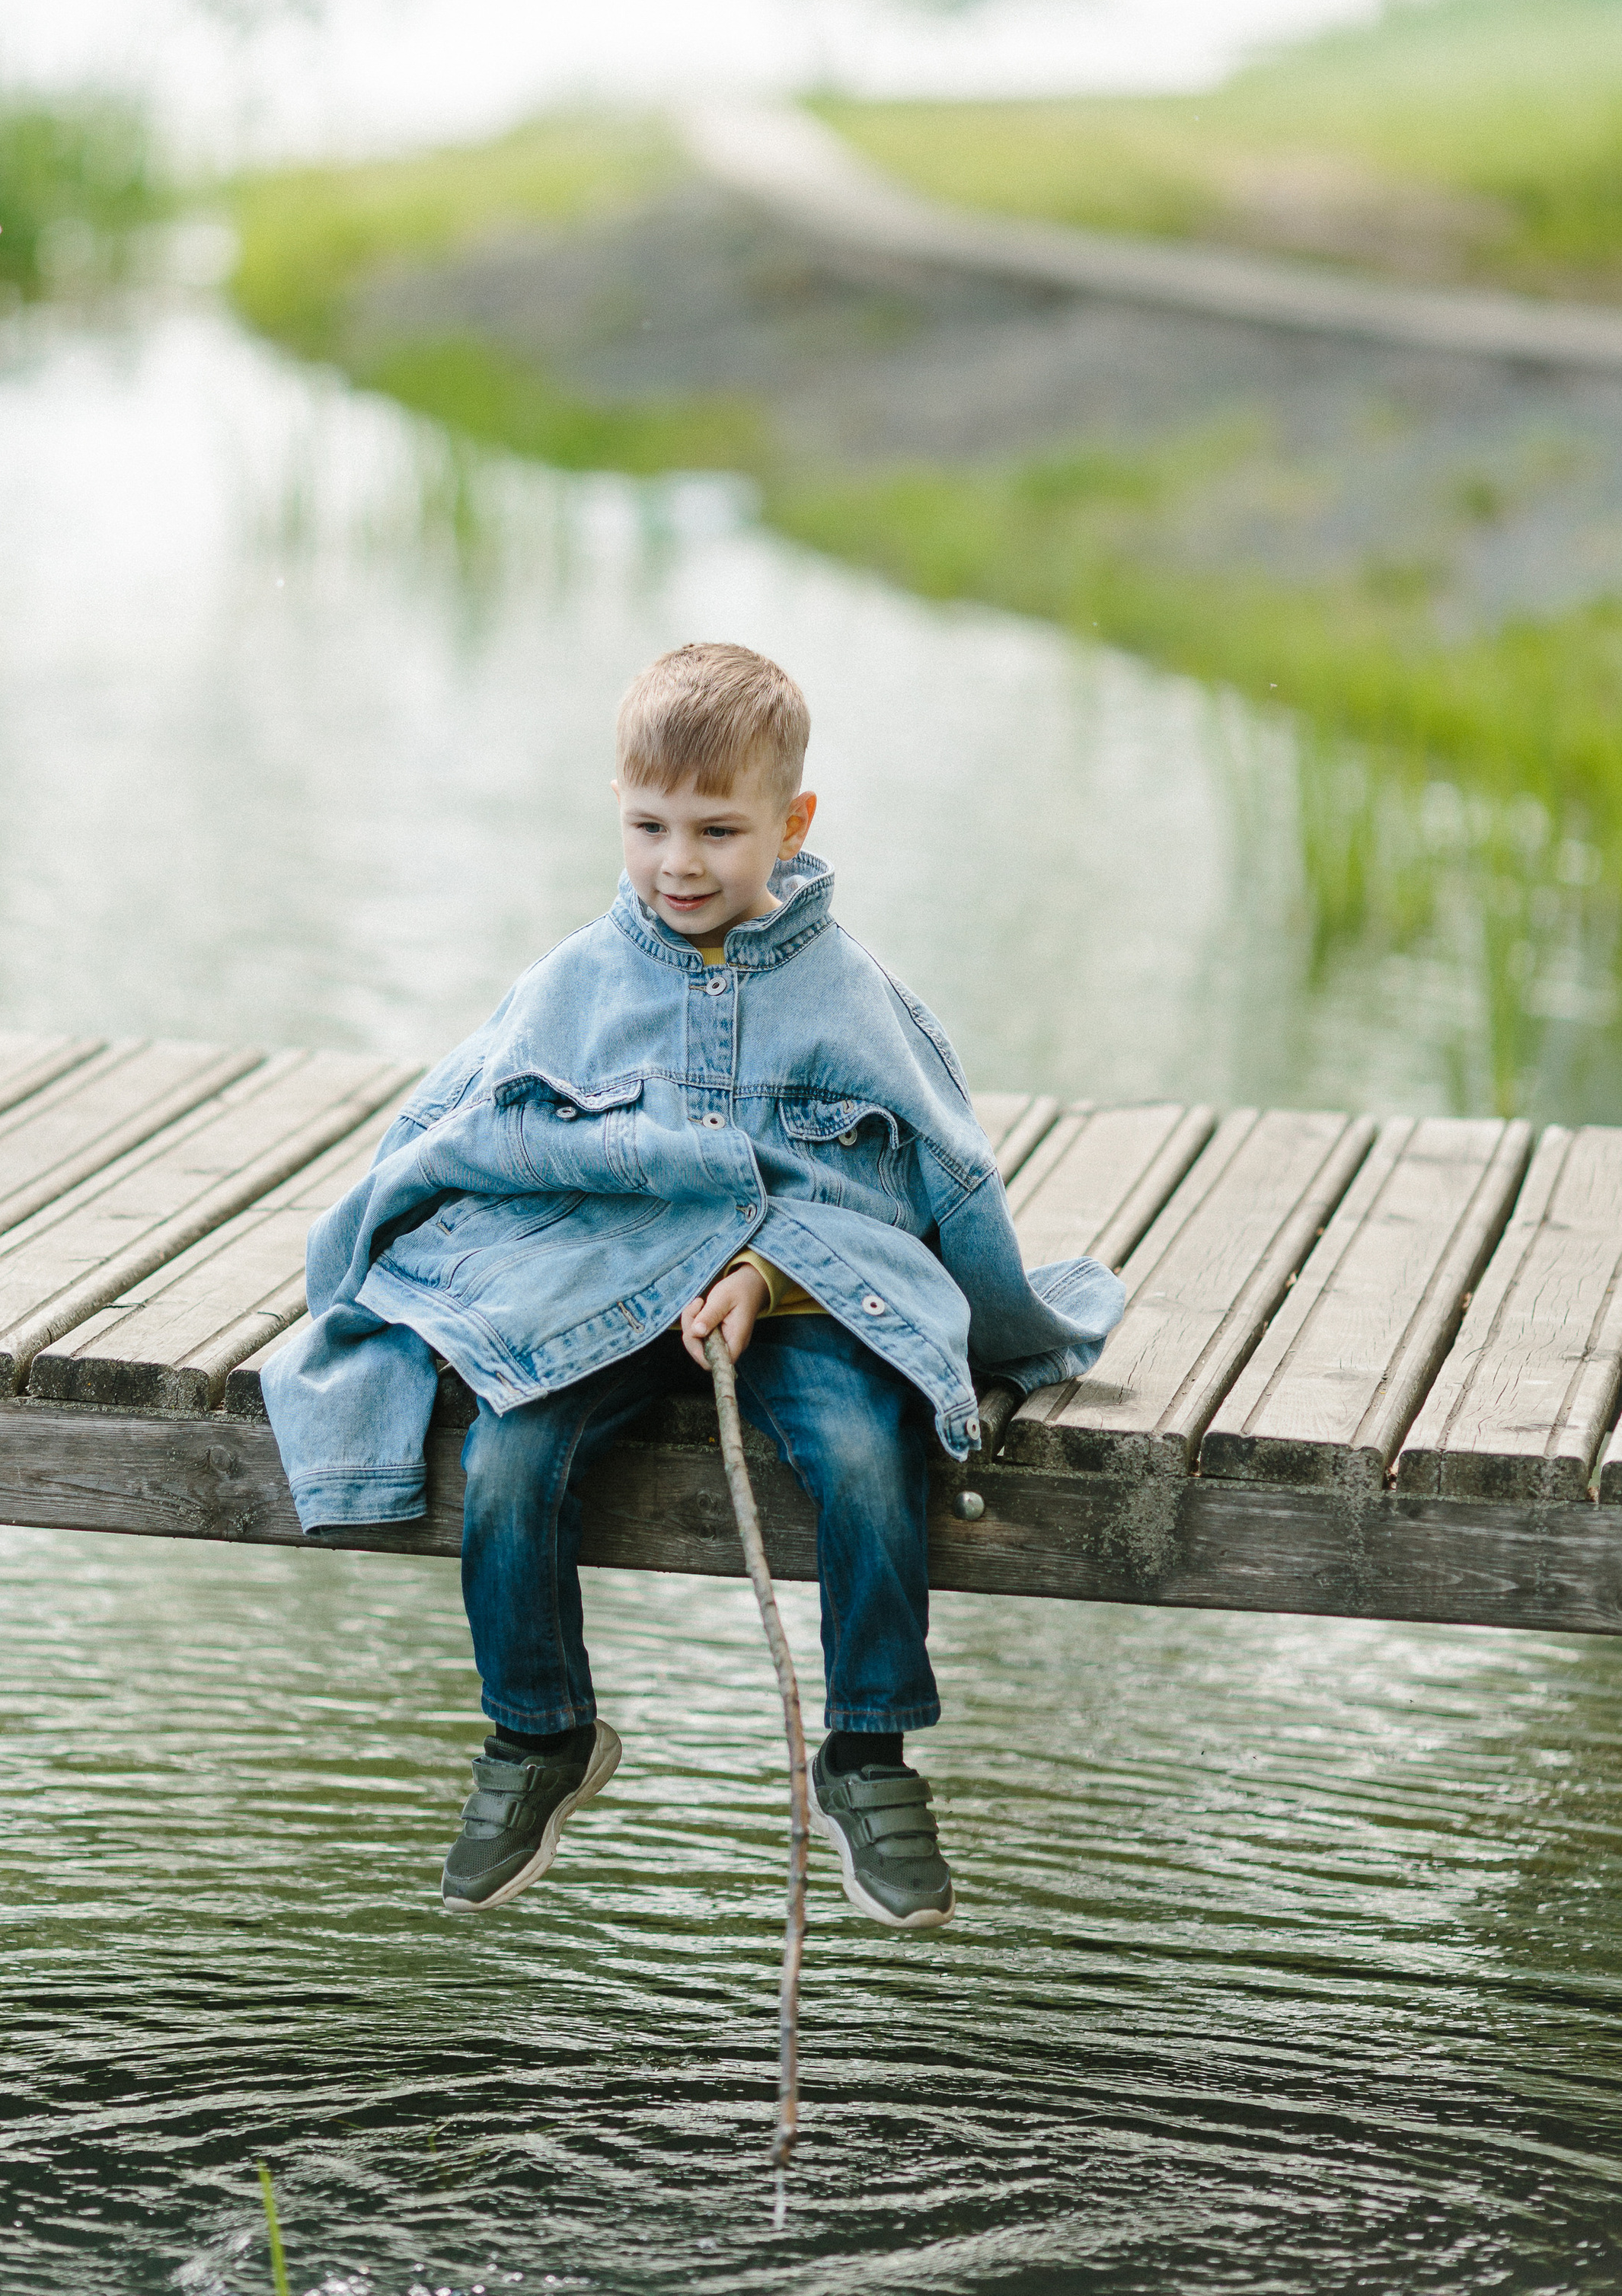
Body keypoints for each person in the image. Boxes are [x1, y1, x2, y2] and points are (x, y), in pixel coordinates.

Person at [262, 643, 1121, 1930]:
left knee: (866, 1449)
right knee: (510, 1454)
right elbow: (462, 1130)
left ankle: (868, 1752)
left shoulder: (853, 999)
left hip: (799, 1293)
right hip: (601, 1287)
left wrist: (771, 1276)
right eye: (650, 826)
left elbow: (916, 1189)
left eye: (720, 831)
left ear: (792, 823)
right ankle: (539, 1731)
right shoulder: (574, 983)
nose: (680, 863)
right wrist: (371, 1264)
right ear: (618, 809)